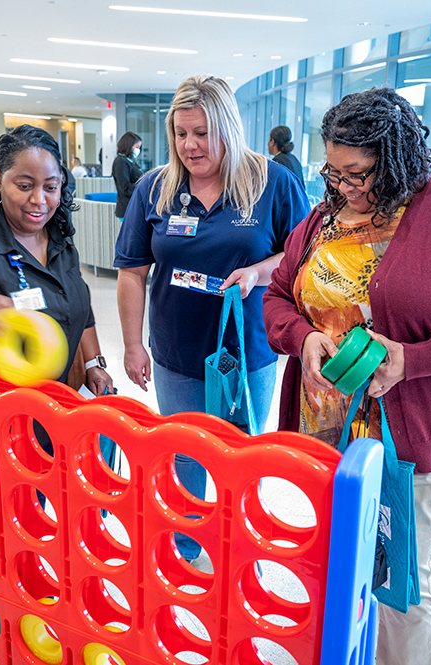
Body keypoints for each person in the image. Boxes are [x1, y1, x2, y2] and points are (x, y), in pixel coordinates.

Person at [262, 87, 431, 665]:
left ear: (397, 158)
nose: (344, 185)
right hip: (328, 432)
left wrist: (411, 359)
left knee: (400, 588)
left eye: (359, 172)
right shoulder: (324, 216)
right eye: (335, 169)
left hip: (410, 438)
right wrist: (305, 338)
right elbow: (278, 296)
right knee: (340, 564)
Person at [115, 75, 310, 560]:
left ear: (227, 128)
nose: (189, 145)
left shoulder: (272, 182)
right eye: (181, 133)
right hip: (177, 351)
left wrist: (258, 272)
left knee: (240, 455)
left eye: (202, 132)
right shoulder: (154, 189)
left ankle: (239, 551)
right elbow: (132, 272)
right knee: (183, 458)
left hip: (247, 352)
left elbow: (302, 257)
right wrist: (133, 345)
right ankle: (182, 551)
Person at [0, 124, 113, 399]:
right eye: (25, 186)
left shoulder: (58, 233)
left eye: (50, 187)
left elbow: (79, 303)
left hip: (42, 402)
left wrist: (92, 363)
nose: (39, 200)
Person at [111, 131, 143, 220]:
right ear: (129, 145)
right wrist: (142, 187)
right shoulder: (120, 162)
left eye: (139, 147)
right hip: (126, 208)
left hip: (134, 207)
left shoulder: (130, 161)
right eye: (137, 147)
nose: (138, 150)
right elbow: (125, 188)